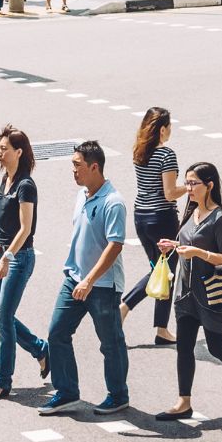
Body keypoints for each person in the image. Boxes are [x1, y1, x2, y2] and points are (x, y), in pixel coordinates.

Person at [154, 163, 222, 423]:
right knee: (184, 347)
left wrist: (198, 253)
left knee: (217, 347)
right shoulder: (192, 213)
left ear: (209, 185)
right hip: (186, 294)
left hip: (211, 296)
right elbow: (189, 243)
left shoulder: (219, 219)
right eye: (187, 182)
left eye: (193, 183)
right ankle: (183, 401)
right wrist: (174, 245)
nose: (188, 188)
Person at [38, 141, 130, 416]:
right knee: (57, 333)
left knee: (110, 342)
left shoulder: (113, 202)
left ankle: (118, 395)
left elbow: (114, 246)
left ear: (94, 167)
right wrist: (77, 276)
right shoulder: (83, 195)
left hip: (101, 286)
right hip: (74, 280)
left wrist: (89, 280)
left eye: (78, 165)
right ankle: (67, 392)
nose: (73, 170)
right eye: (73, 164)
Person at [0, 126, 49, 401]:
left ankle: (2, 381)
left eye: (4, 149)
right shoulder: (6, 179)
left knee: (3, 318)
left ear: (18, 152)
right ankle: (41, 349)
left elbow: (25, 229)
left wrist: (7, 257)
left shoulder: (25, 185)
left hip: (18, 258)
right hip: (2, 255)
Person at [120, 107, 181, 345]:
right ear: (162, 129)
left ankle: (162, 329)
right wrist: (193, 186)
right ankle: (125, 306)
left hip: (141, 217)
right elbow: (169, 193)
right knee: (164, 270)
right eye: (169, 127)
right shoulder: (166, 154)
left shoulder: (140, 152)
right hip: (162, 218)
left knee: (162, 269)